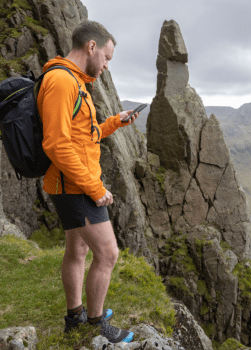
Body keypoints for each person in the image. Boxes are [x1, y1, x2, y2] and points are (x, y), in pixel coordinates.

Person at [37, 20, 140, 344]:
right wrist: (95, 188)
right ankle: (94, 323)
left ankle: (75, 316)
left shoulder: (76, 81)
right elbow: (56, 143)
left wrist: (113, 123)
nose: (107, 66)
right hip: (75, 186)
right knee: (108, 254)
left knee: (77, 250)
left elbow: (83, 135)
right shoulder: (62, 82)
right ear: (91, 47)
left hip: (71, 183)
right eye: (107, 58)